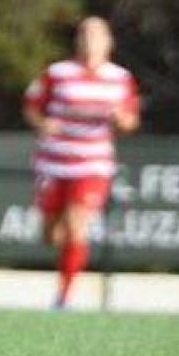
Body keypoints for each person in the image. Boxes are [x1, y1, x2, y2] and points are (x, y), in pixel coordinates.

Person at [23, 16, 139, 309]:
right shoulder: (58, 73)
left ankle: (65, 296)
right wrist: (42, 123)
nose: (90, 42)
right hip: (54, 160)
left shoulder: (120, 78)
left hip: (92, 163)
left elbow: (130, 120)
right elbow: (32, 107)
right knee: (51, 233)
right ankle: (65, 263)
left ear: (108, 42)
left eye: (97, 36)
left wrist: (120, 120)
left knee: (77, 227)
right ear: (78, 40)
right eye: (85, 35)